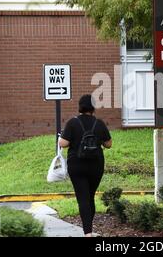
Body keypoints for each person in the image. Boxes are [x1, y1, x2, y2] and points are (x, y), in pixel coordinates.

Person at [58, 94, 112, 237]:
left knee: (82, 198)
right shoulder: (99, 123)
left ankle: (87, 233)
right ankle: (89, 229)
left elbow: (63, 143)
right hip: (96, 165)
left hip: (77, 165)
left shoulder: (72, 122)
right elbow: (108, 144)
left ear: (80, 107)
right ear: (93, 108)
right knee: (90, 196)